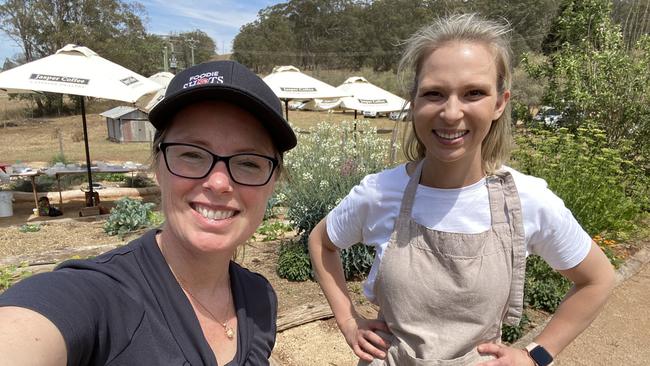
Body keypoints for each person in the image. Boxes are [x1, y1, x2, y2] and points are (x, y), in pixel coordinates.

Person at [309, 14, 615, 366]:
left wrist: (536, 355)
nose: (451, 113)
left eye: (473, 93)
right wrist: (348, 321)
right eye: (435, 94)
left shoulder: (527, 201)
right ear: (415, 101)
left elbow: (597, 280)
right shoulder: (380, 192)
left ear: (499, 103)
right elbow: (322, 241)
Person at [0, 60, 296, 365]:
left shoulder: (259, 299)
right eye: (192, 154)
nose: (219, 182)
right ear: (158, 167)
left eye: (248, 162)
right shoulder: (102, 298)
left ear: (273, 181)